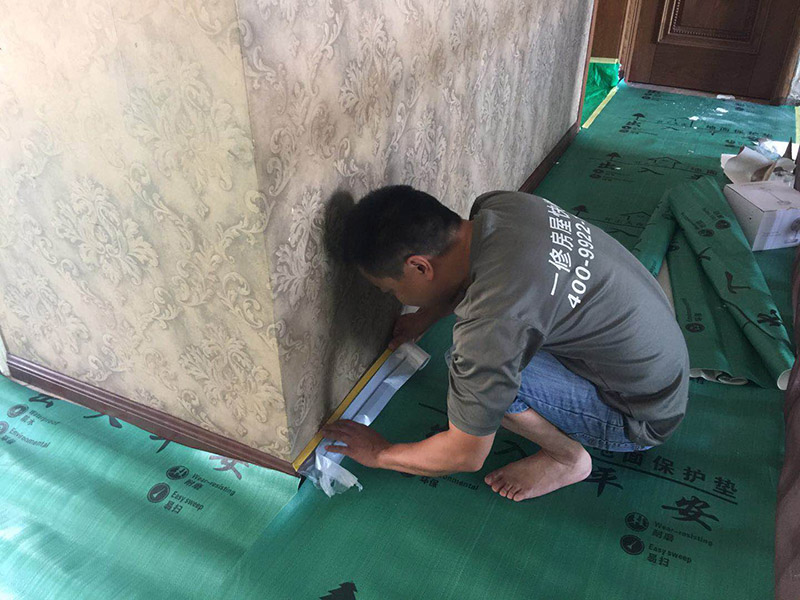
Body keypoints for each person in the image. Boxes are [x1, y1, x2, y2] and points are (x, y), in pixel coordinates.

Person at [321, 185, 689, 501]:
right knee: (494, 354)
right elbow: (466, 277)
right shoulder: (503, 206)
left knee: (468, 365)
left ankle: (566, 458)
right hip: (662, 363)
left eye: (390, 289)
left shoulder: (490, 328)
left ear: (419, 267)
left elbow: (465, 454)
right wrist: (423, 318)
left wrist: (381, 453)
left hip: (638, 417)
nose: (393, 298)